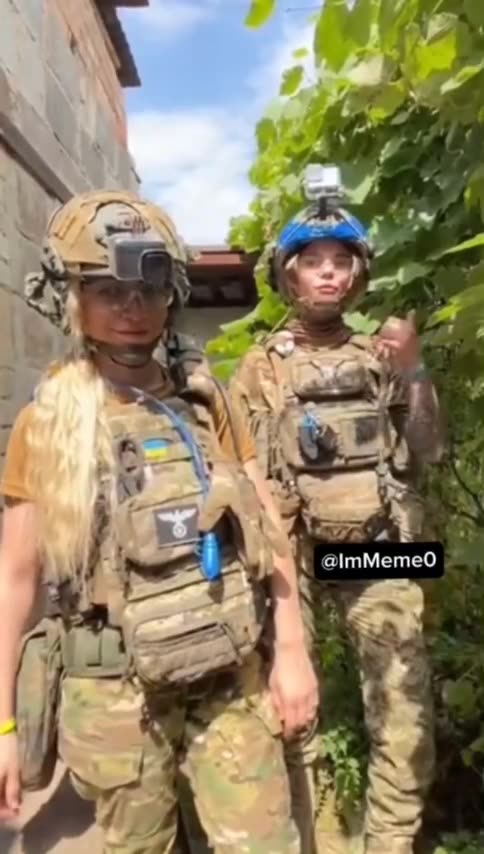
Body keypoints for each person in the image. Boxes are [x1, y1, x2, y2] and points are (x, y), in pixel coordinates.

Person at [0, 190, 318, 853]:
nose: (131, 308)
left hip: (227, 675)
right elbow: (16, 581)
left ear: (171, 291)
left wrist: (291, 652)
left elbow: (267, 528)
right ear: (71, 297)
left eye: (147, 288)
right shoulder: (47, 422)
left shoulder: (206, 400)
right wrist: (2, 726)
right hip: (114, 696)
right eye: (107, 289)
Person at [229, 165, 445, 854]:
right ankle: (314, 836)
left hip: (376, 550)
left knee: (405, 711)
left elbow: (428, 451)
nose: (327, 274)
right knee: (291, 710)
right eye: (312, 262)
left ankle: (389, 841)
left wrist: (413, 368)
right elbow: (240, 472)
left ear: (356, 275)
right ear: (288, 276)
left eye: (339, 262)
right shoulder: (261, 366)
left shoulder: (382, 357)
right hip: (294, 561)